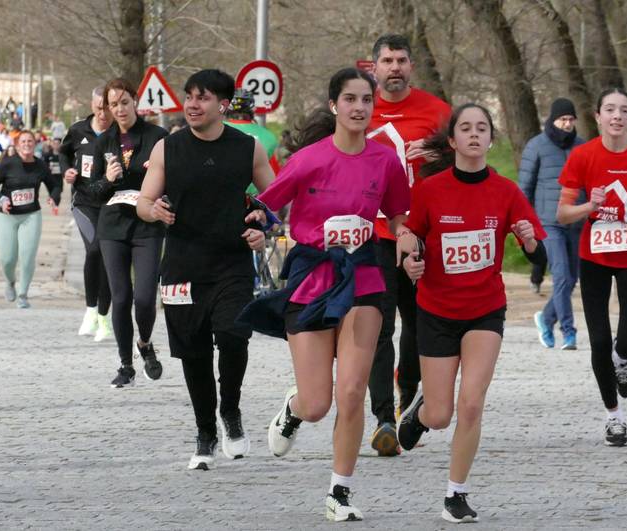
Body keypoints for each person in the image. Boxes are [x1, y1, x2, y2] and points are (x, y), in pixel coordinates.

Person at [242, 68, 412, 522]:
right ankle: (293, 409)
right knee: (318, 403)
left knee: (352, 390)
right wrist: (257, 224)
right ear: (335, 105)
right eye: (350, 99)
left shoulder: (385, 161)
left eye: (366, 100)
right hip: (313, 276)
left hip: (364, 276)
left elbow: (398, 215)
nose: (359, 107)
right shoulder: (307, 160)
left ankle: (340, 491)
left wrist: (405, 235)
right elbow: (267, 206)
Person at [398, 103, 547, 523]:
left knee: (471, 404)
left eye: (482, 128)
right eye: (466, 128)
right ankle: (421, 412)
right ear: (453, 140)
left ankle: (456, 494)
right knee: (440, 414)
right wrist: (409, 260)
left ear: (491, 140)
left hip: (485, 310)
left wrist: (529, 241)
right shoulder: (430, 189)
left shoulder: (506, 191)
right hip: (436, 310)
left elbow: (539, 256)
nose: (475, 134)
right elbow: (410, 235)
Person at [137, 69, 275, 470]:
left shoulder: (248, 148)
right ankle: (205, 432)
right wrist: (154, 210)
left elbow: (274, 200)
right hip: (182, 265)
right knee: (193, 353)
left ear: (224, 105)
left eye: (203, 98)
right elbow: (143, 202)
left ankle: (230, 409)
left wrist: (263, 225)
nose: (192, 105)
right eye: (189, 97)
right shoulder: (167, 149)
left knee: (233, 335)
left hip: (232, 262)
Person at [365, 34, 452, 456]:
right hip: (375, 234)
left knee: (419, 325)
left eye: (401, 60)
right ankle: (383, 417)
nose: (395, 67)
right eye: (387, 60)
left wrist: (439, 156)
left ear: (411, 66)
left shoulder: (437, 111)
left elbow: (467, 161)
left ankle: (408, 398)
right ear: (374, 68)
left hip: (422, 235)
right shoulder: (361, 109)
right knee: (378, 325)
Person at [556, 87, 627, 447]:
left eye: (624, 110)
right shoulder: (583, 156)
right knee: (600, 340)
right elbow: (562, 214)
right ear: (598, 116)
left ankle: (625, 358)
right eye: (610, 109)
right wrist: (590, 206)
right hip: (595, 258)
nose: (617, 116)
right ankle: (613, 417)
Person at [87, 78, 168, 388]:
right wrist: (107, 180)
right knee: (121, 297)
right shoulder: (103, 142)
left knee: (145, 297)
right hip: (113, 226)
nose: (119, 109)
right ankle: (126, 365)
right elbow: (92, 192)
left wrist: (161, 194)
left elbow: (173, 181)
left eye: (124, 102)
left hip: (147, 225)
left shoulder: (157, 137)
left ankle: (145, 343)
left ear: (135, 101)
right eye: (113, 104)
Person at [519, 98, 586, 350]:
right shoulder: (536, 145)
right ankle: (569, 332)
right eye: (562, 119)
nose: (567, 124)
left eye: (571, 119)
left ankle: (546, 319)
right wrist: (524, 222)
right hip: (549, 222)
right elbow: (524, 188)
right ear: (553, 120)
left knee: (571, 279)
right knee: (561, 276)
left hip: (576, 222)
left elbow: (590, 184)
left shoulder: (583, 147)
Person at [61, 88, 114, 342]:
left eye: (107, 108)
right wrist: (67, 171)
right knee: (94, 249)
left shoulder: (120, 132)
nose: (103, 113)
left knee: (109, 257)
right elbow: (63, 153)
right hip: (84, 203)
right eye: (99, 108)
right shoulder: (78, 130)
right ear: (92, 106)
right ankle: (91, 310)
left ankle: (103, 317)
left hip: (112, 203)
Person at [0, 130, 62, 308]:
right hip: (6, 216)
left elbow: (55, 185)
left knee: (27, 257)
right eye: (23, 141)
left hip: (31, 215)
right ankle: (10, 281)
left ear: (35, 144)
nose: (27, 144)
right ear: (17, 144)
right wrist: (2, 199)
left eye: (30, 141)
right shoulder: (8, 163)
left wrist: (53, 198)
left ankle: (23, 294)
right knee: (7, 259)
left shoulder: (40, 165)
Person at [225, 88, 282, 181]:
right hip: (258, 189)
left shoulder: (214, 129)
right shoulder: (268, 136)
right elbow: (275, 177)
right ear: (252, 109)